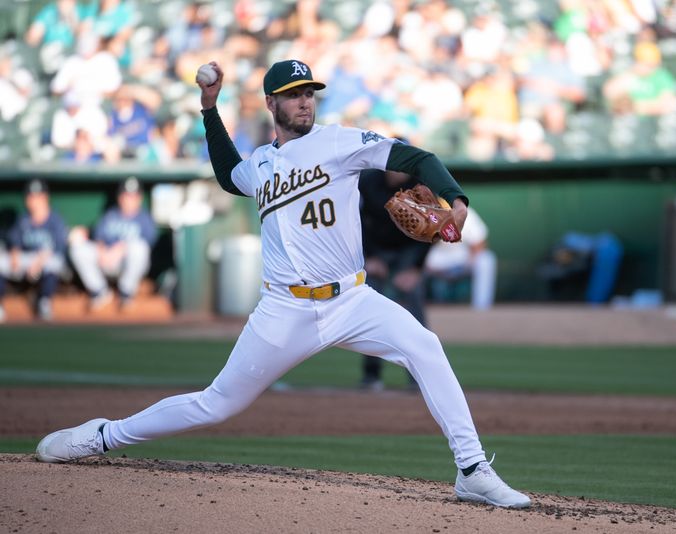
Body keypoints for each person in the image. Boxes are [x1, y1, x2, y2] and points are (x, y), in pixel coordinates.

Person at [35, 58, 531, 509]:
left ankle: (472, 470)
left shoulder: (338, 141)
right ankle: (103, 436)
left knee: (424, 346)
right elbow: (230, 175)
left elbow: (417, 159)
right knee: (216, 404)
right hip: (283, 311)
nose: (304, 101)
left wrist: (456, 200)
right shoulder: (262, 164)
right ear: (272, 103)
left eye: (309, 92)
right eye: (294, 94)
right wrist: (210, 109)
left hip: (352, 299)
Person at [358, 166, 431, 391]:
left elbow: (432, 230)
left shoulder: (420, 185)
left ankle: (420, 377)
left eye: (404, 166)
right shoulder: (368, 181)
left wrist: (415, 269)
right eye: (395, 164)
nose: (400, 171)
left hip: (408, 251)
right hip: (376, 248)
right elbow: (354, 221)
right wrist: (368, 256)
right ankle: (371, 376)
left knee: (413, 303)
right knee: (370, 305)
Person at [68, 176, 157, 310]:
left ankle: (126, 293)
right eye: (126, 195)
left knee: (139, 248)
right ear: (120, 197)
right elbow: (98, 236)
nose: (129, 200)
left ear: (140, 198)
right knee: (78, 248)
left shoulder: (145, 219)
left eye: (133, 196)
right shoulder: (110, 215)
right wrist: (102, 250)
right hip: (107, 260)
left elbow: (149, 241)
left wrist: (121, 249)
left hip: (128, 265)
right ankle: (99, 291)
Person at [0, 179, 69, 322]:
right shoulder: (23, 219)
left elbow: (58, 247)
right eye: (30, 196)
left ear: (45, 197)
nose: (33, 200)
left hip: (44, 261)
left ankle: (44, 302)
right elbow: (15, 243)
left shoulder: (55, 219)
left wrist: (38, 263)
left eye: (38, 196)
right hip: (26, 260)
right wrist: (14, 254)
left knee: (54, 262)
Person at [425, 206, 497, 310]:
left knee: (486, 259)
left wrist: (471, 260)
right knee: (414, 261)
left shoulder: (465, 212)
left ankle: (481, 307)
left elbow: (480, 242)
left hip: (461, 258)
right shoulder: (425, 212)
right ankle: (413, 307)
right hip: (434, 259)